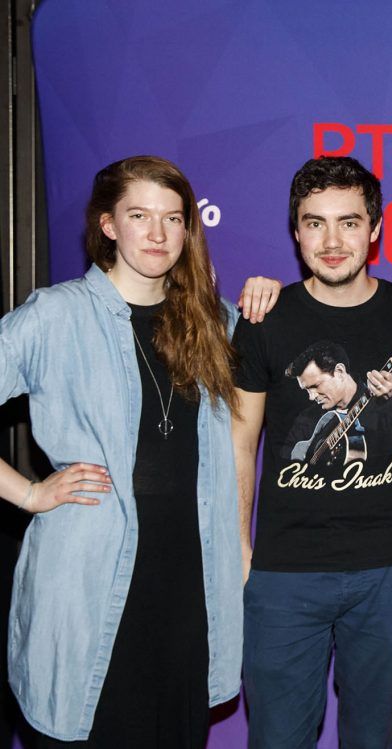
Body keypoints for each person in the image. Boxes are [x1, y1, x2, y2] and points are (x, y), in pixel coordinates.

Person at [0, 155, 276, 746]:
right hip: (90, 579)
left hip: (190, 584)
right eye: (139, 215)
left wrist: (272, 298)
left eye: (173, 218)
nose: (157, 234)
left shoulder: (216, 322)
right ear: (107, 225)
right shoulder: (56, 316)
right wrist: (27, 491)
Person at [231, 155, 392, 749]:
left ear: (375, 228)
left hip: (388, 574)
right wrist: (241, 551)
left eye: (348, 222)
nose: (330, 240)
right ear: (295, 231)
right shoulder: (266, 317)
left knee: (372, 738)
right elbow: (240, 443)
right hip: (282, 575)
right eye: (314, 222)